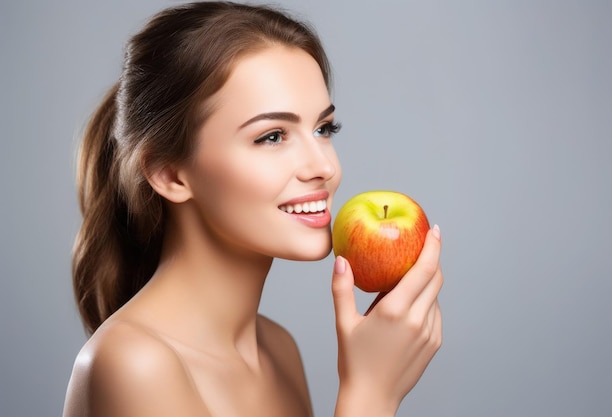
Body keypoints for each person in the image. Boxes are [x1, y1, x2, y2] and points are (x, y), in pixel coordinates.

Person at [62, 2, 444, 416]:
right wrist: (371, 394)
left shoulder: (279, 350)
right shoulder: (133, 364)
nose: (324, 167)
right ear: (169, 173)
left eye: (323, 129)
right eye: (273, 136)